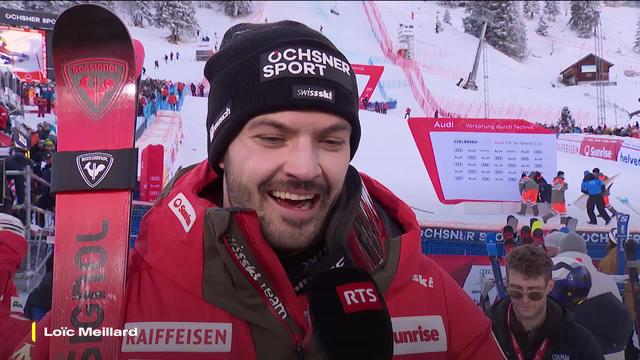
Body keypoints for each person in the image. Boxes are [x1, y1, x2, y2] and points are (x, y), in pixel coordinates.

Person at [2, 20, 505, 359]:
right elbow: (28, 342)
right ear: (221, 151)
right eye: (271, 137)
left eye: (331, 140)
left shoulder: (427, 292)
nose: (305, 167)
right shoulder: (122, 295)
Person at [487, 245, 604, 359]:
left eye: (534, 293)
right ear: (507, 285)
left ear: (549, 286)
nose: (525, 300)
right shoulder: (488, 331)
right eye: (516, 292)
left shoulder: (577, 340)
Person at [555, 232, 631, 359]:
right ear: (585, 251)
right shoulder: (606, 281)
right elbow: (619, 320)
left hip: (562, 352)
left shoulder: (549, 280)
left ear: (560, 250)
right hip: (608, 353)